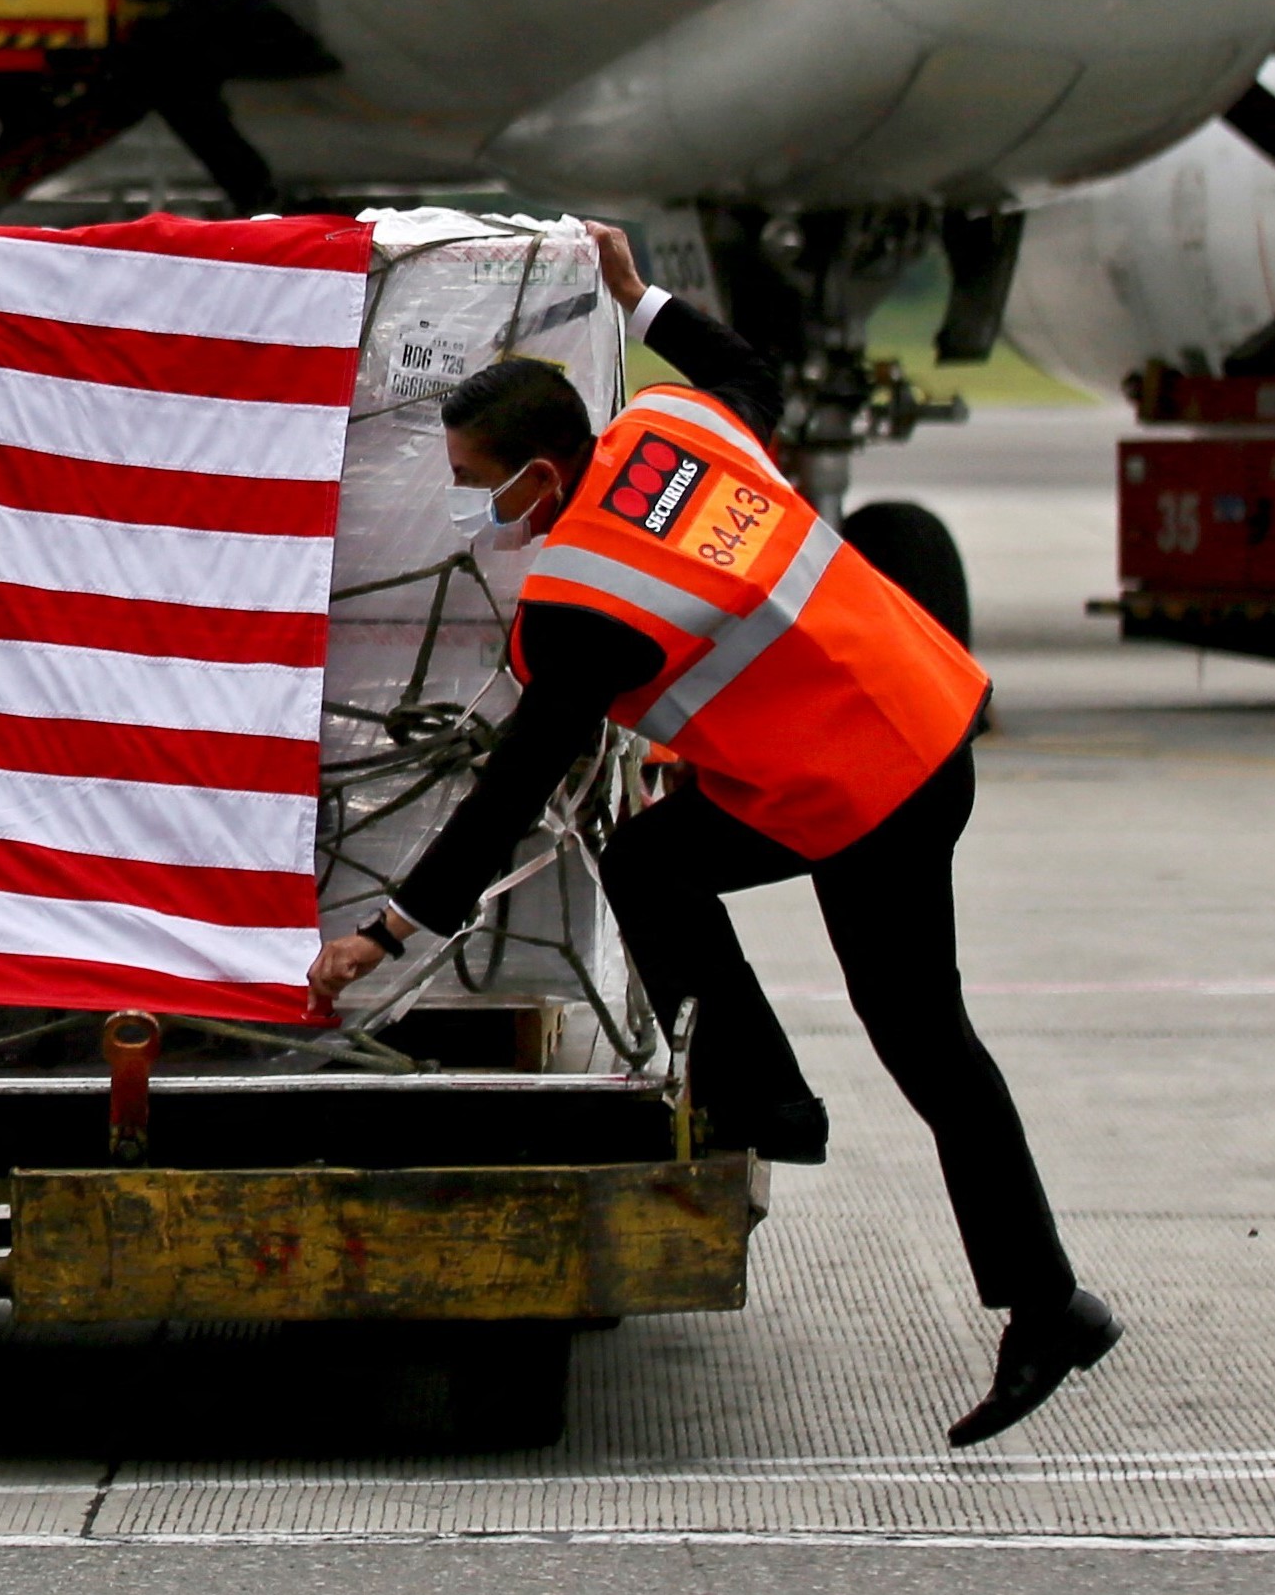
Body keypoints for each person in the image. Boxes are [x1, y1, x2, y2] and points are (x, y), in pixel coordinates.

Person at [307, 222, 1115, 1448]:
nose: (478, 505)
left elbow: (512, 786)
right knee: (650, 859)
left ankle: (1043, 1303)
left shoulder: (586, 598)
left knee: (926, 1046)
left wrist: (387, 928)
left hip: (865, 789)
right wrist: (644, 303)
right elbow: (752, 379)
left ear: (536, 466)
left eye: (480, 483)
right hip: (913, 716)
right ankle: (767, 1104)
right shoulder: (670, 433)